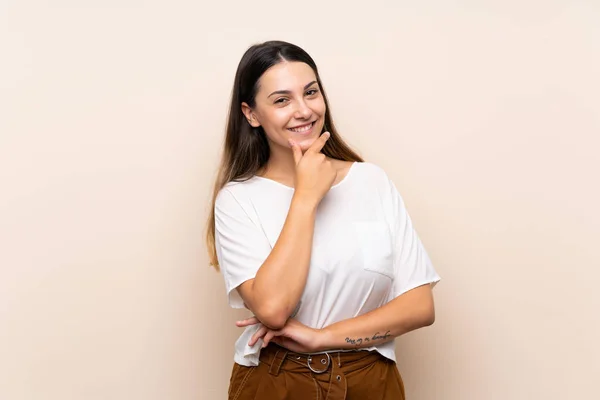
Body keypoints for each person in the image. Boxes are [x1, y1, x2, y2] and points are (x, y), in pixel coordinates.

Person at [205, 40, 441, 400]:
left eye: (310, 93)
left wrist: (322, 339)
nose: (303, 111)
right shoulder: (237, 200)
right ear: (251, 114)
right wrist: (306, 196)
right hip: (279, 381)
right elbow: (272, 309)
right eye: (282, 100)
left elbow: (419, 305)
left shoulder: (371, 181)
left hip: (371, 379)